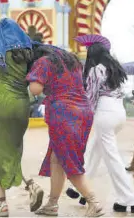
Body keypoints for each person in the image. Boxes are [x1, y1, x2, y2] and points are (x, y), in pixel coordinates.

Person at [26, 44, 104, 217]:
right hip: (83, 112)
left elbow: (35, 88)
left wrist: (28, 79)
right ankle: (52, 204)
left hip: (63, 113)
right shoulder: (71, 62)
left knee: (69, 160)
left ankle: (94, 202)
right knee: (57, 158)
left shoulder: (43, 62)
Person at [67, 38, 134, 213]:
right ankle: (82, 191)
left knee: (112, 159)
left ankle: (128, 198)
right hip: (119, 113)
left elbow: (91, 97)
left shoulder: (96, 70)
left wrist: (81, 118)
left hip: (105, 114)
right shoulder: (115, 68)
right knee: (94, 151)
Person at [0, 18, 43, 217]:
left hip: (3, 102)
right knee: (13, 150)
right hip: (22, 104)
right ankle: (30, 185)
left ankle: (2, 204)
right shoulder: (27, 53)